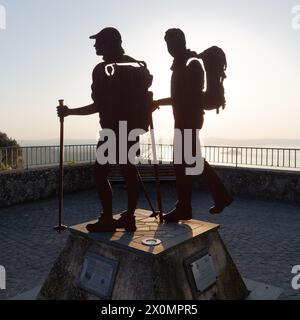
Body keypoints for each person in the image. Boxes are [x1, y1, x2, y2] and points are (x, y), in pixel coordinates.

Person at [57, 27, 152, 232]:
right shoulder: (138, 65)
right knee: (129, 170)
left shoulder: (102, 69)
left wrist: (69, 112)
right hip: (133, 128)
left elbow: (99, 105)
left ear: (112, 42)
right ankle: (129, 216)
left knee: (100, 172)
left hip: (112, 128)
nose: (95, 46)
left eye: (99, 42)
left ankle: (108, 219)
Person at [153, 28, 233, 222]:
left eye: (173, 42)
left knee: (185, 162)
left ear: (182, 41)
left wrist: (157, 103)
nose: (170, 47)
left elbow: (187, 97)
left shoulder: (191, 63)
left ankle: (193, 204)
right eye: (167, 43)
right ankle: (194, 204)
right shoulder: (181, 64)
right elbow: (180, 98)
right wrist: (159, 103)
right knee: (187, 163)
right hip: (183, 118)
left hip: (188, 119)